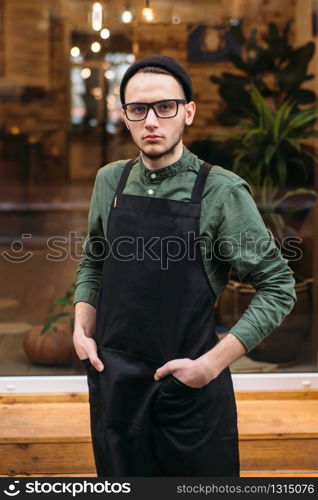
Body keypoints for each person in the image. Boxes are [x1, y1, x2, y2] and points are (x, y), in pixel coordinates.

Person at [72, 55, 297, 477]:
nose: (151, 121)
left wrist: (210, 365)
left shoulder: (222, 191)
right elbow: (94, 259)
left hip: (189, 391)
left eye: (165, 107)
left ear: (188, 112)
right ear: (125, 116)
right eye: (138, 109)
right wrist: (82, 327)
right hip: (116, 387)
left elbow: (278, 285)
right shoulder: (110, 181)